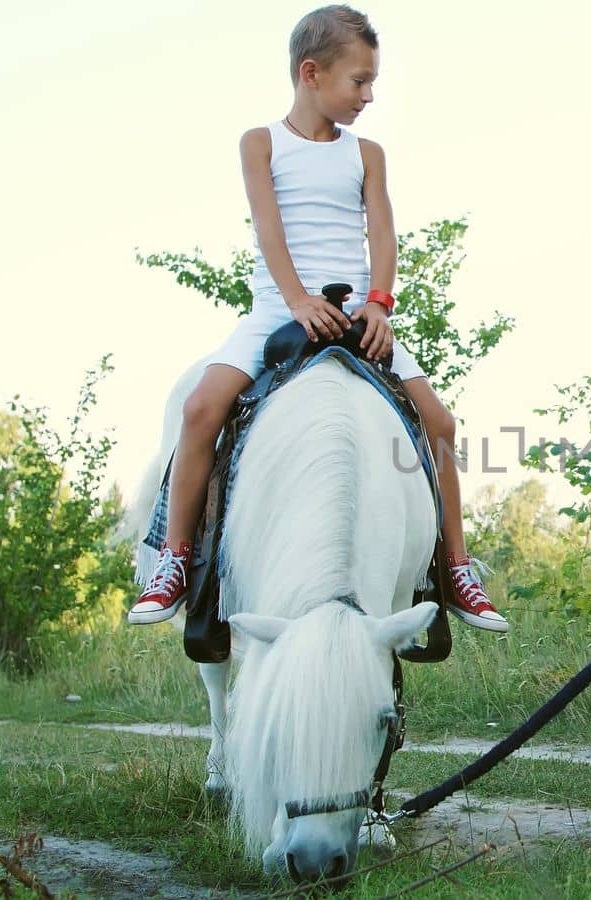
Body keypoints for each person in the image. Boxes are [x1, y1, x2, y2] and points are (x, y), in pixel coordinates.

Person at [129, 5, 506, 633]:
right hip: (278, 307)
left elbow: (383, 233)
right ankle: (176, 558)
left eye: (371, 80)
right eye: (358, 81)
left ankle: (454, 566)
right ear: (311, 73)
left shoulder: (367, 154)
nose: (369, 94)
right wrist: (299, 300)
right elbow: (270, 229)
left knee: (438, 419)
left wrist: (378, 304)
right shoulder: (261, 143)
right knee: (200, 410)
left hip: (357, 314)